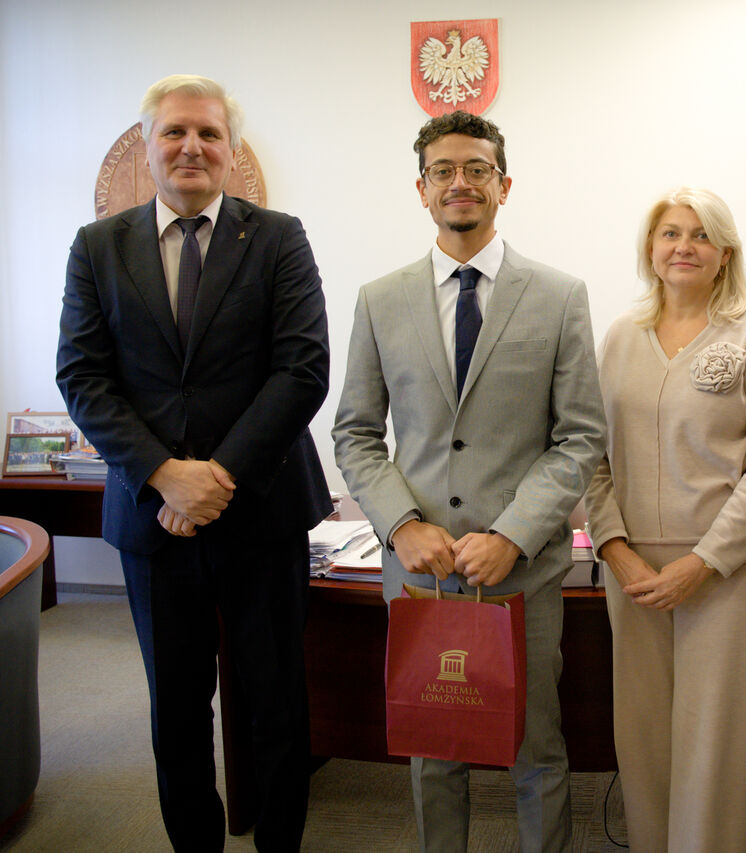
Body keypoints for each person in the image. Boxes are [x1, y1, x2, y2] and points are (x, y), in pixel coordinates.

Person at [55, 74, 330, 852]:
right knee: (175, 710)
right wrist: (164, 473)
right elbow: (82, 374)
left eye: (209, 134)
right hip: (152, 519)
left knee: (275, 703)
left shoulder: (278, 236)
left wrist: (216, 475)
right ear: (147, 146)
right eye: (174, 132)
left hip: (263, 511)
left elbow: (302, 368)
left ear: (231, 150)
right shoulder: (97, 246)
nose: (191, 147)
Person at [331, 110, 605, 853]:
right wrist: (401, 524)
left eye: (477, 169)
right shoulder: (379, 299)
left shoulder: (558, 294)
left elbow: (580, 435)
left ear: (504, 184)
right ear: (421, 189)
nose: (461, 182)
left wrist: (512, 533)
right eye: (444, 170)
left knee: (536, 747)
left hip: (522, 570)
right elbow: (355, 431)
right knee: (433, 746)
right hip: (419, 570)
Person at [584, 187, 746, 852]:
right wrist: (614, 550)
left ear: (724, 251)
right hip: (634, 570)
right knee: (644, 737)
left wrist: (703, 562)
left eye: (700, 235)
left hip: (728, 571)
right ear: (650, 250)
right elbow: (591, 456)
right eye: (670, 233)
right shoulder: (620, 337)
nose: (683, 246)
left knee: (715, 743)